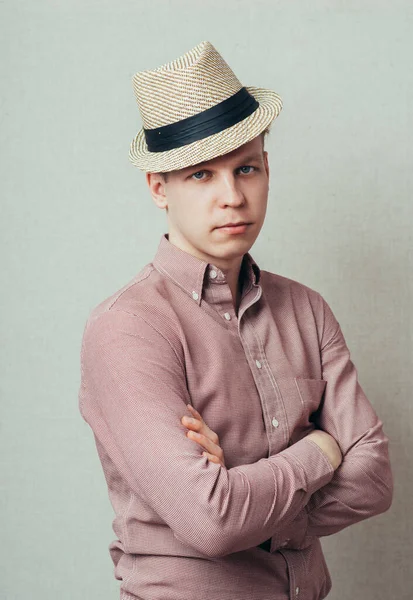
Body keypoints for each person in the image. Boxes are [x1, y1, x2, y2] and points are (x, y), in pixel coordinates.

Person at [78, 40, 393, 600]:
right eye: (201, 175)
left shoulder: (306, 309)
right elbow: (212, 519)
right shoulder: (127, 328)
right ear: (158, 187)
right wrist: (319, 449)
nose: (232, 197)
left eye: (245, 168)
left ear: (266, 169)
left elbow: (373, 480)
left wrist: (251, 497)